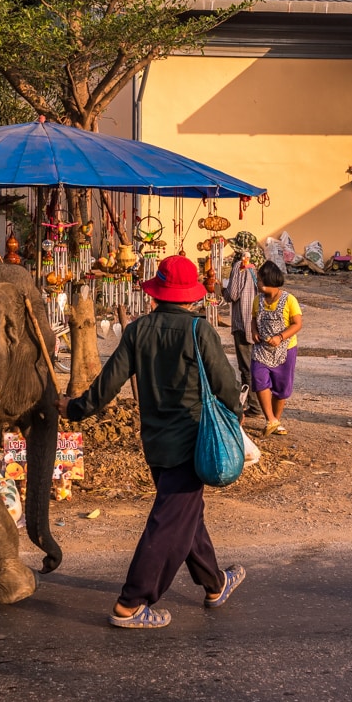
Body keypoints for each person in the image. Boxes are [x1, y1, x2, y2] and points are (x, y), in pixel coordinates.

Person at [57, 254, 246, 629]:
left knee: (186, 516)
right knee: (168, 524)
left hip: (156, 442)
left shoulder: (138, 331)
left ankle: (215, 583)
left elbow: (107, 386)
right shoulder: (200, 331)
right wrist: (235, 422)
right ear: (191, 296)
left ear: (157, 293)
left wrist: (74, 409)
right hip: (194, 443)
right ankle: (131, 602)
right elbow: (227, 388)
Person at [250, 261, 303, 436]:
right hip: (261, 349)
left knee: (282, 389)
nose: (257, 283)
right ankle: (270, 419)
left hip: (285, 350)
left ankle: (275, 421)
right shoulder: (257, 300)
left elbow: (297, 324)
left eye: (258, 280)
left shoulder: (289, 300)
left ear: (268, 281)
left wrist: (280, 337)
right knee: (258, 378)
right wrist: (254, 331)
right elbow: (253, 319)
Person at [222, 249, 263, 417]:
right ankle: (259, 404)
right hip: (257, 323)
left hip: (243, 323)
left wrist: (222, 290)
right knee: (257, 365)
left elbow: (232, 294)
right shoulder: (255, 269)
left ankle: (255, 406)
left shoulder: (240, 267)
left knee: (246, 367)